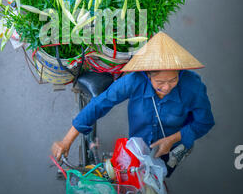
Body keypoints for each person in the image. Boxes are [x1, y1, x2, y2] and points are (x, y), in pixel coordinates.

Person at [51, 32, 215, 177]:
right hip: (138, 143)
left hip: (174, 146)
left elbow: (204, 122)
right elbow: (101, 103)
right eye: (160, 82)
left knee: (162, 174)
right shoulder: (134, 80)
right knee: (134, 178)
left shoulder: (192, 86)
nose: (167, 87)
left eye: (173, 80)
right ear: (148, 75)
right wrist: (67, 140)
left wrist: (172, 140)